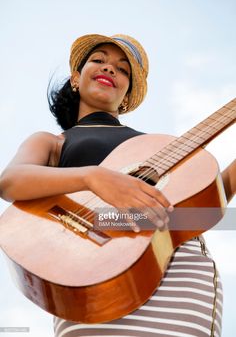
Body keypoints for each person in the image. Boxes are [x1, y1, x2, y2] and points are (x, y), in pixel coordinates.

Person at [0, 33, 235, 337]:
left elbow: (206, 203)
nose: (110, 68)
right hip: (88, 279)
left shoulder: (152, 146)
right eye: (99, 60)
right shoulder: (52, 142)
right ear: (76, 78)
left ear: (126, 94)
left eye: (122, 69)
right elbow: (10, 182)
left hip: (177, 268)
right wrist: (92, 177)